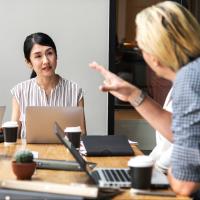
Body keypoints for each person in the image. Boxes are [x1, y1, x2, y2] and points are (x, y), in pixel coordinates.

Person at [90, 1, 200, 196]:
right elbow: (180, 131)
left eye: (142, 48)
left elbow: (185, 184)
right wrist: (132, 94)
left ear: (155, 55)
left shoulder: (189, 80)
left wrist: (167, 171)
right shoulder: (193, 71)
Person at [11, 32, 86, 138]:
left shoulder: (75, 91)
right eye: (38, 56)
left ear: (56, 56)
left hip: (65, 153)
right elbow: (13, 138)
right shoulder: (19, 92)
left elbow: (82, 135)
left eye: (50, 53)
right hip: (30, 154)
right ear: (28, 63)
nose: (46, 61)